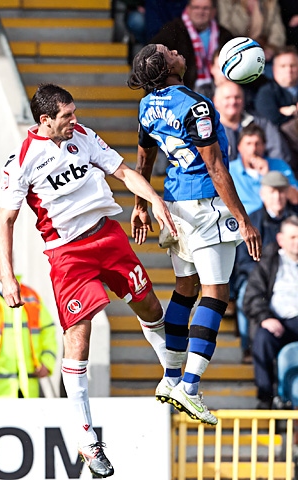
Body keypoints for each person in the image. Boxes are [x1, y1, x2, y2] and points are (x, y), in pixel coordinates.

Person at [0, 83, 178, 479]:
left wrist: (155, 201)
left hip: (107, 235)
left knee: (150, 306)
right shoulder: (22, 160)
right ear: (45, 121)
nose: (74, 120)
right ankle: (85, 437)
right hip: (68, 253)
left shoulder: (83, 136)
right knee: (79, 337)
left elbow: (125, 172)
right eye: (67, 116)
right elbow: (5, 220)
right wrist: (8, 278)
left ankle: (175, 379)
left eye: (75, 113)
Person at [127, 43, 261, 425]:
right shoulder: (195, 105)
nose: (175, 50)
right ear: (166, 68)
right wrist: (243, 219)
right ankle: (189, 387)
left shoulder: (147, 104)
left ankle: (170, 378)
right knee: (216, 294)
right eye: (168, 52)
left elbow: (144, 156)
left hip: (172, 205)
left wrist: (140, 204)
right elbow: (215, 165)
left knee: (185, 289)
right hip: (205, 206)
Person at [234, 171, 298, 363]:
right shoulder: (252, 221)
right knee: (247, 293)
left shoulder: (295, 220)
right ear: (262, 194)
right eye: (272, 192)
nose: (277, 197)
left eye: (281, 191)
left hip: (288, 275)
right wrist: (263, 277)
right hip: (258, 277)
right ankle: (249, 346)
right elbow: (243, 260)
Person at [0, 244, 57, 398]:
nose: (4, 265)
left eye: (8, 260)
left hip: (25, 389)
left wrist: (47, 361)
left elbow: (48, 329)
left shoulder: (29, 294)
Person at [243, 215, 298, 409]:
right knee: (262, 339)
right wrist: (265, 318)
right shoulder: (269, 262)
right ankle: (266, 397)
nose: (297, 242)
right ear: (281, 239)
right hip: (278, 322)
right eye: (293, 237)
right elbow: (251, 297)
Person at [150, 0, 233, 91]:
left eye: (206, 8)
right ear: (188, 9)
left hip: (218, 89)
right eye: (196, 7)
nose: (201, 12)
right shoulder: (172, 31)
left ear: (214, 12)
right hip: (183, 90)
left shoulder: (224, 35)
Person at [213, 81, 291, 162]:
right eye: (227, 98)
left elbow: (279, 154)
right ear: (215, 101)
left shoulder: (261, 124)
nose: (233, 102)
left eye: (237, 97)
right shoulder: (209, 128)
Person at [229, 123, 298, 214]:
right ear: (239, 147)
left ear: (264, 146)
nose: (253, 149)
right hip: (245, 221)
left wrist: (268, 176)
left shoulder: (279, 165)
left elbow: (295, 198)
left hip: (275, 221)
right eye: (248, 144)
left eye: (257, 144)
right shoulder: (230, 170)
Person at [217, 0, 286, 77]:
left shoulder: (270, 2)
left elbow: (277, 30)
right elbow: (225, 28)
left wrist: (271, 48)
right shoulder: (227, 2)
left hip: (262, 50)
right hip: (235, 50)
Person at [255, 46, 298, 127]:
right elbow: (272, 122)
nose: (289, 70)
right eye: (283, 66)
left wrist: (288, 112)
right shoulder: (265, 93)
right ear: (274, 69)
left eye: (293, 65)